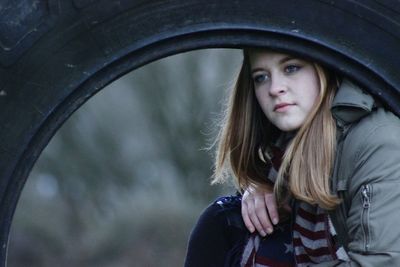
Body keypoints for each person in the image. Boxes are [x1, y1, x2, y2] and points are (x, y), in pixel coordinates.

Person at [184, 48, 400, 266]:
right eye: (261, 77)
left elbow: (381, 262)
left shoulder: (378, 142)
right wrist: (258, 185)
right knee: (220, 220)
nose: (275, 88)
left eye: (291, 68)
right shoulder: (279, 154)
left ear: (323, 67)